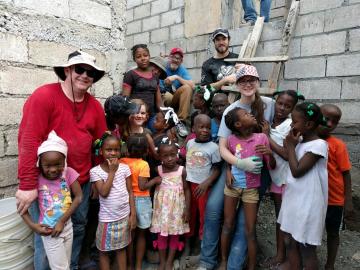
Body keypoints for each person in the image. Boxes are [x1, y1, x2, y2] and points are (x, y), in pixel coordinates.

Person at [16, 50, 107, 270]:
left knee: (77, 228)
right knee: (47, 236)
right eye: (80, 69)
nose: (85, 75)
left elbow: (99, 145)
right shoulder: (44, 96)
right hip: (49, 184)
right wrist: (27, 185)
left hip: (81, 183)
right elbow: (28, 140)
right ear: (67, 70)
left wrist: (97, 177)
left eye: (91, 72)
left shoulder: (94, 106)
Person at [198, 64, 274, 270]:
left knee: (243, 223)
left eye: (252, 80)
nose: (248, 84)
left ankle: (233, 265)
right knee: (214, 208)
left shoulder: (269, 105)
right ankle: (207, 261)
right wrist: (236, 165)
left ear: (258, 82)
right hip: (234, 166)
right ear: (237, 84)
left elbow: (274, 138)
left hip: (258, 171)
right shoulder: (232, 110)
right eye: (243, 81)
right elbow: (224, 146)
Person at [220, 108, 275, 270]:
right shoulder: (230, 140)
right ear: (238, 124)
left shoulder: (261, 138)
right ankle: (224, 261)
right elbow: (228, 160)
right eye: (246, 114)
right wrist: (228, 171)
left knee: (250, 230)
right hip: (232, 187)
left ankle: (251, 266)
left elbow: (271, 166)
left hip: (251, 190)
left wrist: (270, 154)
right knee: (228, 224)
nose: (251, 114)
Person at [22, 131, 83, 270]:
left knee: (65, 264)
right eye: (47, 165)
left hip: (67, 226)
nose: (53, 169)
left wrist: (62, 221)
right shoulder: (36, 179)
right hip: (49, 231)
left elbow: (79, 197)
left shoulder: (68, 173)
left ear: (65, 162)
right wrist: (33, 226)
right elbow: (22, 208)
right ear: (40, 163)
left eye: (58, 164)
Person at [277, 102, 328, 270]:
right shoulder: (300, 142)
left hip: (308, 204)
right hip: (293, 199)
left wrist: (291, 146)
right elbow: (289, 157)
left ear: (308, 124)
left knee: (306, 248)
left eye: (295, 121)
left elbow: (297, 170)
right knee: (290, 241)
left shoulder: (319, 145)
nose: (291, 124)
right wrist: (289, 145)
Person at [260, 90, 305, 268]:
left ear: (293, 109)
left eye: (288, 106)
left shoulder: (290, 126)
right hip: (276, 179)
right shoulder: (269, 123)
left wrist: (267, 137)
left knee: (288, 220)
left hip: (288, 180)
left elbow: (287, 154)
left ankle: (292, 259)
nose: (282, 108)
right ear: (275, 103)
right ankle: (280, 256)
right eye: (280, 103)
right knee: (280, 218)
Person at [90, 132, 136, 270]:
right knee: (104, 251)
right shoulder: (95, 171)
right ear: (101, 151)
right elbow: (103, 193)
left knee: (121, 249)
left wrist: (133, 214)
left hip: (123, 217)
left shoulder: (125, 168)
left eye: (116, 150)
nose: (113, 153)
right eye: (108, 150)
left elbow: (130, 191)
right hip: (107, 220)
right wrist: (111, 172)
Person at [318, 104, 354, 270]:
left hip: (334, 200)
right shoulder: (306, 140)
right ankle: (306, 258)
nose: (330, 124)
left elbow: (346, 174)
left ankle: (330, 265)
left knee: (333, 233)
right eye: (326, 119)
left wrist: (348, 201)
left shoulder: (338, 145)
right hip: (315, 198)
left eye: (335, 121)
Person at [150, 137, 191, 270]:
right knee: (161, 235)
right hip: (162, 211)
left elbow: (186, 190)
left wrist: (187, 210)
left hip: (177, 210)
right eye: (165, 156)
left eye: (172, 155)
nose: (169, 158)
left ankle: (169, 261)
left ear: (177, 154)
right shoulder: (158, 171)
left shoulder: (181, 171)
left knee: (175, 235)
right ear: (160, 156)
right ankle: (162, 262)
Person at [120, 134, 160, 270]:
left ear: (127, 149)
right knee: (142, 234)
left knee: (130, 235)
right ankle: (138, 265)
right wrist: (154, 181)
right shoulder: (144, 164)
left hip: (126, 200)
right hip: (142, 201)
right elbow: (143, 186)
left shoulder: (122, 162)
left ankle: (130, 265)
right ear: (146, 151)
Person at [185, 114, 221, 251]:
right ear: (193, 128)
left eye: (208, 127)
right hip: (189, 186)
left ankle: (201, 246)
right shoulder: (190, 143)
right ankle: (188, 243)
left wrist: (207, 183)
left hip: (203, 188)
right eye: (201, 127)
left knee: (203, 217)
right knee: (189, 214)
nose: (205, 130)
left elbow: (217, 169)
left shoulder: (214, 147)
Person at [122, 44, 162, 132]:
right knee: (142, 137)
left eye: (145, 55)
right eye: (139, 56)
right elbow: (125, 99)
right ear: (134, 59)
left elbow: (159, 100)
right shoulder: (130, 75)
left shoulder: (154, 76)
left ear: (149, 56)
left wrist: (164, 113)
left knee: (159, 133)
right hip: (137, 116)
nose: (143, 58)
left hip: (151, 116)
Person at [161, 48, 194, 126]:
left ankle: (181, 121)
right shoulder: (163, 66)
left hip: (174, 99)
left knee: (187, 88)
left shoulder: (182, 69)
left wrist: (177, 77)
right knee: (166, 96)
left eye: (178, 58)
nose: (175, 60)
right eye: (173, 57)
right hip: (161, 96)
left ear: (181, 61)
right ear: (169, 57)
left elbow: (193, 86)